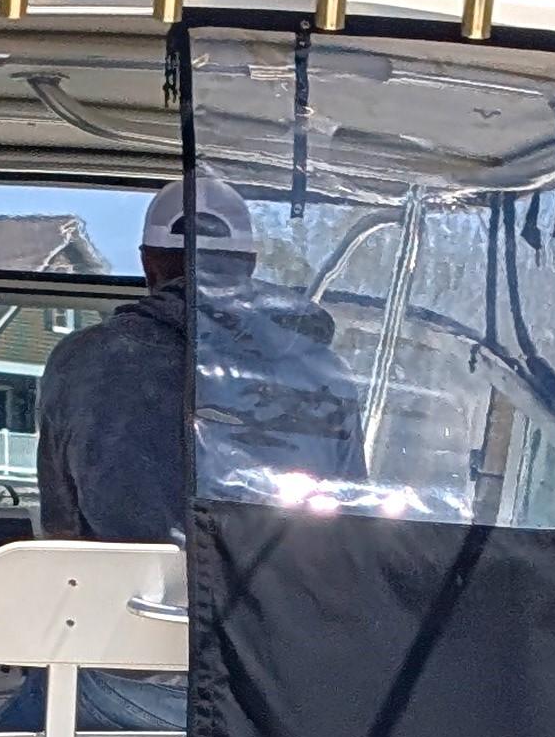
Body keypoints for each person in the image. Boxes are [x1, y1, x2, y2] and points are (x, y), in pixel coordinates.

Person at [33, 171, 352, 541]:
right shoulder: (324, 371)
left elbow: (63, 527)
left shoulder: (79, 361)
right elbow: (346, 521)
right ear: (250, 262)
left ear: (147, 263)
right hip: (280, 579)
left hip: (127, 580)